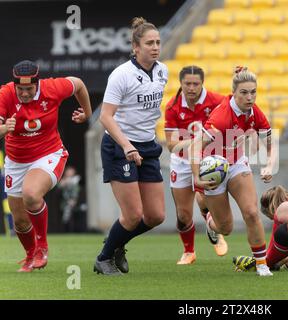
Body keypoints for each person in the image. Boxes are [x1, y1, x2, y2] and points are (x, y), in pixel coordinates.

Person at [0, 60, 92, 272]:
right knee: (20, 221)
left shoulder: (52, 88)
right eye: (20, 89)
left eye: (29, 89)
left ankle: (42, 248)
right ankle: (31, 255)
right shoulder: (5, 94)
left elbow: (78, 83)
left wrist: (87, 113)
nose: (24, 93)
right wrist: (5, 128)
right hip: (15, 161)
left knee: (31, 195)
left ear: (37, 83)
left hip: (48, 154)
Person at [93, 17, 168, 275]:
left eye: (158, 42)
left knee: (156, 216)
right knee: (133, 215)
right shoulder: (121, 75)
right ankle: (104, 258)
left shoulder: (162, 71)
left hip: (148, 146)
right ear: (135, 47)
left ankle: (117, 243)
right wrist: (127, 145)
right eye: (149, 43)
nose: (155, 47)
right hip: (119, 146)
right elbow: (105, 116)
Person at [190, 66, 275, 276]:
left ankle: (261, 264)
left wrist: (269, 166)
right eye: (244, 93)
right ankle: (210, 222)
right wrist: (196, 178)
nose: (250, 97)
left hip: (237, 164)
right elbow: (194, 147)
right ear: (234, 93)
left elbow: (271, 146)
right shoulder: (221, 118)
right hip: (214, 168)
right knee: (225, 227)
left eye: (253, 92)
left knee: (251, 212)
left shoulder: (255, 113)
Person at [164, 65, 228, 265]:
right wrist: (194, 143)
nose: (191, 88)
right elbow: (172, 146)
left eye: (196, 84)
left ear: (202, 84)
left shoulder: (217, 101)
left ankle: (212, 227)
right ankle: (189, 252)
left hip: (207, 158)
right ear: (181, 84)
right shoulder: (173, 107)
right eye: (187, 84)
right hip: (182, 161)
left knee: (202, 198)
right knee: (183, 214)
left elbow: (234, 111)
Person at [58, 165, 81, 232]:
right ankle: (64, 231)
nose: (70, 173)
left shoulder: (76, 180)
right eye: (69, 172)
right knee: (65, 218)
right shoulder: (63, 180)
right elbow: (59, 187)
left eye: (71, 172)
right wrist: (65, 182)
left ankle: (73, 231)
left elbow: (77, 191)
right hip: (64, 202)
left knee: (73, 218)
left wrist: (74, 200)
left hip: (74, 202)